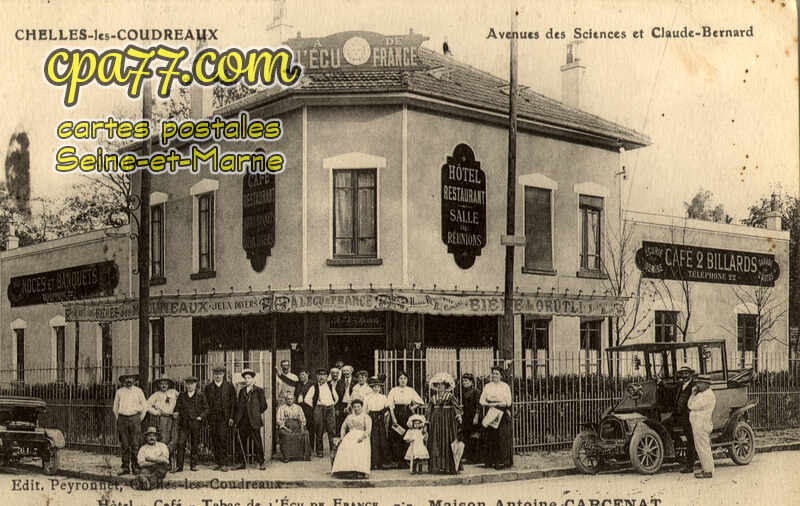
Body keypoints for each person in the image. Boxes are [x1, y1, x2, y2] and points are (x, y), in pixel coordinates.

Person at [427, 372, 462, 474]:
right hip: (436, 422)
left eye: (442, 385)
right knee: (436, 441)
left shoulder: (450, 396)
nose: (439, 387)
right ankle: (437, 467)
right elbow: (429, 410)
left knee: (448, 440)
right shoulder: (433, 398)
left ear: (446, 386)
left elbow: (456, 407)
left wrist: (458, 416)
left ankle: (449, 467)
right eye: (438, 385)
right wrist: (427, 420)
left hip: (447, 421)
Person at [113, 373, 148, 475]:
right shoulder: (119, 392)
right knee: (125, 444)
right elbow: (115, 408)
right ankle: (125, 467)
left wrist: (139, 419)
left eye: (131, 378)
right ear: (123, 381)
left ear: (134, 380)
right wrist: (120, 418)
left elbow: (144, 406)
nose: (129, 380)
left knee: (135, 444)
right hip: (122, 419)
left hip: (135, 418)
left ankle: (135, 467)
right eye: (126, 378)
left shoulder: (138, 391)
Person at [480, 366, 513, 470]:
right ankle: (490, 461)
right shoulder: (487, 386)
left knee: (501, 437)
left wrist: (498, 403)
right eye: (493, 373)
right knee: (490, 437)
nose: (494, 375)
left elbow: (508, 402)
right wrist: (489, 404)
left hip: (501, 414)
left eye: (497, 374)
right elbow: (482, 400)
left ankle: (501, 462)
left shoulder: (505, 386)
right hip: (490, 412)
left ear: (501, 376)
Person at [387, 371, 424, 467]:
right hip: (397, 413)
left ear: (407, 380)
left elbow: (420, 402)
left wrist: (412, 407)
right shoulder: (393, 390)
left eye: (404, 378)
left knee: (407, 435)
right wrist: (393, 418)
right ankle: (398, 460)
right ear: (398, 380)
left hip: (407, 414)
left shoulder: (410, 390)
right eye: (401, 378)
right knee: (397, 436)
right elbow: (390, 406)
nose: (403, 380)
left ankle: (406, 460)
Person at [234, 369, 268, 470]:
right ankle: (242, 463)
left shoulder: (259, 391)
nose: (247, 380)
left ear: (253, 379)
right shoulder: (242, 391)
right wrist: (238, 420)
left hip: (254, 420)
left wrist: (255, 412)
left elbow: (264, 406)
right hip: (243, 421)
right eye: (245, 378)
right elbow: (239, 406)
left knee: (257, 442)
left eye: (249, 378)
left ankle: (261, 462)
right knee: (241, 442)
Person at [204, 365, 236, 472]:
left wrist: (231, 417)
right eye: (216, 374)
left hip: (224, 418)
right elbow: (205, 403)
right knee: (214, 440)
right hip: (212, 418)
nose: (218, 376)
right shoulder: (208, 387)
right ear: (213, 375)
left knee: (223, 439)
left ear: (223, 374)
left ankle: (224, 463)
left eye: (220, 374)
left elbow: (233, 403)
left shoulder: (229, 386)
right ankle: (218, 462)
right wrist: (207, 417)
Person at [331, 397, 372, 479]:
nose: (357, 408)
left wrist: (362, 437)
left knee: (359, 449)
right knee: (345, 447)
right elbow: (343, 427)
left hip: (362, 436)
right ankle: (346, 470)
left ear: (362, 407)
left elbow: (368, 429)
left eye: (358, 406)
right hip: (350, 435)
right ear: (352, 408)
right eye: (355, 407)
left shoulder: (366, 417)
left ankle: (361, 470)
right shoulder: (349, 417)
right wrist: (342, 437)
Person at [174, 376, 208, 472]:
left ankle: (193, 465)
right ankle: (179, 466)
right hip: (184, 424)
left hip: (195, 423)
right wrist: (176, 412)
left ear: (195, 385)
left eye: (192, 384)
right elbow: (177, 407)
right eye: (188, 384)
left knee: (194, 444)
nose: (190, 386)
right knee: (181, 443)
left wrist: (201, 416)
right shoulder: (181, 396)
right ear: (185, 385)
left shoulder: (200, 395)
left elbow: (206, 408)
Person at [304, 368, 338, 457]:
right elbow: (306, 399)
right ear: (317, 376)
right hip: (319, 408)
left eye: (324, 375)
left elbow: (336, 397)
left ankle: (333, 449)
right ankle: (320, 451)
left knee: (331, 429)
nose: (322, 377)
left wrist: (332, 404)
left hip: (330, 408)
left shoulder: (330, 386)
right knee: (319, 429)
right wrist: (315, 406)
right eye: (320, 375)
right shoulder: (314, 387)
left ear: (326, 376)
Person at [688, 375, 716, 479]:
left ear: (706, 384)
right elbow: (689, 404)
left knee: (703, 448)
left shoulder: (708, 395)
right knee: (700, 447)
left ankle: (708, 471)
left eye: (699, 383)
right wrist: (693, 394)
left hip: (702, 424)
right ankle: (706, 468)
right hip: (697, 424)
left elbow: (692, 406)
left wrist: (693, 395)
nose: (697, 385)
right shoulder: (701, 394)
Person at [147, 377, 179, 468]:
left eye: (166, 383)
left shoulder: (174, 392)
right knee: (164, 440)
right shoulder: (156, 395)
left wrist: (178, 411)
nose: (164, 385)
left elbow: (181, 402)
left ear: (169, 385)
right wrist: (156, 412)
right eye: (162, 383)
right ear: (159, 385)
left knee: (175, 439)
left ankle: (169, 459)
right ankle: (166, 462)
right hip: (163, 418)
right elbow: (147, 405)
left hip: (174, 418)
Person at [672, 366, 697, 473]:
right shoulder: (680, 385)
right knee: (666, 424)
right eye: (682, 373)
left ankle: (690, 465)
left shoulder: (694, 386)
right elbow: (669, 390)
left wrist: (689, 412)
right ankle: (678, 442)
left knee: (691, 439)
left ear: (690, 374)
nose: (684, 375)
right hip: (679, 415)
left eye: (686, 373)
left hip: (689, 416)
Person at [276, 391, 312, 462]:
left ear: (294, 399)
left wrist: (302, 426)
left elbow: (303, 419)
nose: (289, 400)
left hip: (297, 427)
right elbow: (278, 420)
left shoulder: (298, 408)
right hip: (286, 427)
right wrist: (286, 428)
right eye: (288, 399)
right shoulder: (281, 408)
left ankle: (305, 455)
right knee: (286, 435)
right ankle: (287, 457)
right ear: (285, 400)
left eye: (291, 399)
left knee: (305, 433)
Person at [365, 375, 392, 470]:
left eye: (378, 387)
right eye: (374, 387)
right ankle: (373, 462)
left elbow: (388, 408)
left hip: (380, 418)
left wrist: (384, 415)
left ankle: (382, 462)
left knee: (382, 439)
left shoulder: (383, 397)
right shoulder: (367, 397)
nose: (376, 388)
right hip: (371, 418)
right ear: (372, 387)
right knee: (373, 439)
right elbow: (365, 410)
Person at [459, 373, 482, 465]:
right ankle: (468, 457)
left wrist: (476, 416)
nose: (464, 382)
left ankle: (475, 458)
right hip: (467, 417)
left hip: (474, 416)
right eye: (463, 381)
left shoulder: (476, 391)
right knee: (467, 436)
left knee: (474, 436)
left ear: (471, 382)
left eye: (466, 381)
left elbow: (478, 405)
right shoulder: (464, 392)